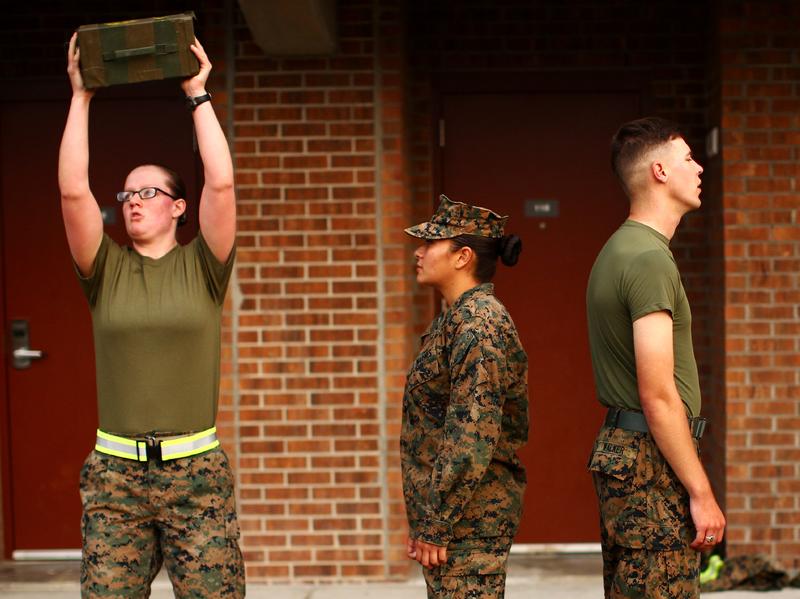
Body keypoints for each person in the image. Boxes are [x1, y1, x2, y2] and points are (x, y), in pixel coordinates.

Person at [59, 32, 243, 598]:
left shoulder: (205, 266)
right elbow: (72, 193)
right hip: (117, 481)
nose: (133, 200)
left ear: (179, 207)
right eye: (127, 194)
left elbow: (222, 181)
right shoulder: (104, 269)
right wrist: (81, 97)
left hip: (197, 478)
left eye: (149, 192)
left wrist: (197, 94)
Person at [586, 117, 726, 598]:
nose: (699, 168)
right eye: (688, 158)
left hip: (633, 455)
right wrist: (702, 494)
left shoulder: (621, 249)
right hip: (648, 462)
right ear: (660, 171)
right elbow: (659, 394)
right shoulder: (647, 258)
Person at [401, 195, 528, 599]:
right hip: (454, 523)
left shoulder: (479, 323)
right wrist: (427, 521)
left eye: (431, 243)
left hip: (468, 523)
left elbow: (471, 435)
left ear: (463, 256)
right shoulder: (456, 318)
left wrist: (436, 522)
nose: (418, 253)